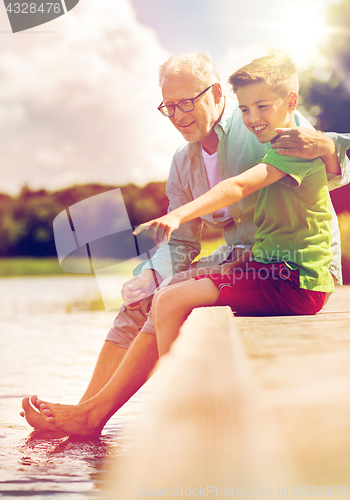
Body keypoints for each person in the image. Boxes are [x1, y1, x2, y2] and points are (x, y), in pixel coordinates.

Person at [21, 52, 350, 435]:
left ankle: (106, 415)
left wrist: (327, 148)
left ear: (213, 93)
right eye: (169, 107)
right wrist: (150, 275)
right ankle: (86, 411)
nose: (177, 116)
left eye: (185, 104)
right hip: (239, 259)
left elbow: (325, 157)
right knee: (139, 301)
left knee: (173, 293)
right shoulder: (183, 163)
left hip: (285, 263)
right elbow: (181, 244)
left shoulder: (259, 122)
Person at [135, 53, 334, 357]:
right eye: (245, 110)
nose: (253, 118)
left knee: (170, 298)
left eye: (262, 107)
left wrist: (177, 215)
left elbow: (236, 187)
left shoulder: (293, 145)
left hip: (292, 279)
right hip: (266, 268)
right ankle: (101, 404)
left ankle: (175, 396)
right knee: (166, 291)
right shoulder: (259, 150)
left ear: (291, 103)